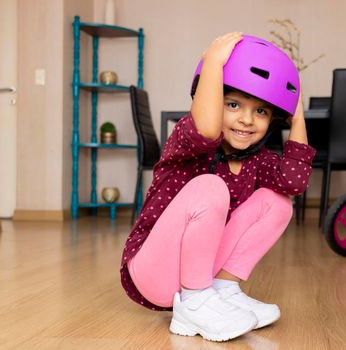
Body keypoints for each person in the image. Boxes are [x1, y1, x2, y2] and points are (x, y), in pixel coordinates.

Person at [120, 32, 316, 342]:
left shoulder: (257, 159)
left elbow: (295, 181)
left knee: (277, 202)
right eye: (234, 105)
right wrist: (213, 62)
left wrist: (297, 110)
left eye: (261, 111)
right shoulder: (186, 140)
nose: (247, 120)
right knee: (210, 187)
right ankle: (195, 304)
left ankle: (223, 291)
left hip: (202, 273)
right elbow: (207, 130)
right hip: (153, 271)